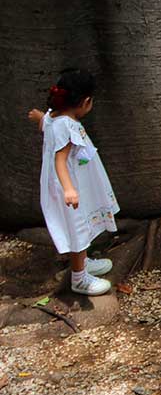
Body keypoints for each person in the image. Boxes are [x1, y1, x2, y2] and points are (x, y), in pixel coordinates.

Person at [25, 68, 119, 296]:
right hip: (68, 185)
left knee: (82, 223)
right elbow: (60, 159)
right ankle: (79, 278)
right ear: (86, 101)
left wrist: (39, 117)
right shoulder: (67, 126)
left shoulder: (54, 117)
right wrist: (69, 189)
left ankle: (83, 263)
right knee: (78, 229)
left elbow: (45, 122)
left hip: (74, 182)